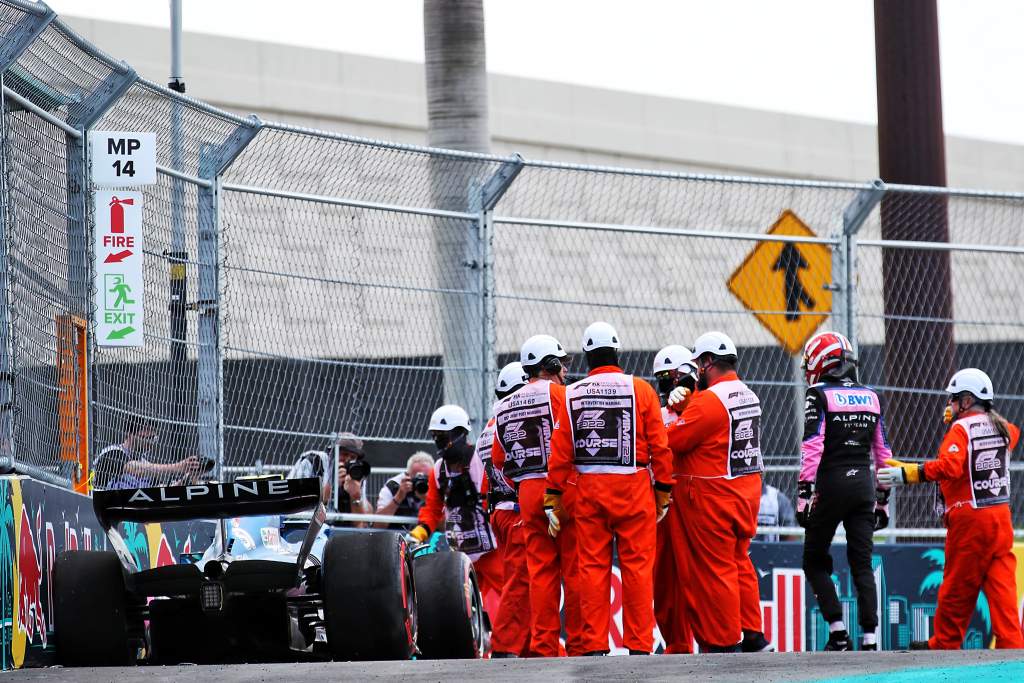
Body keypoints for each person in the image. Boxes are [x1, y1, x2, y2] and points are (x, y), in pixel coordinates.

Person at [546, 322, 674, 656]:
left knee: (591, 568)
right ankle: (639, 645)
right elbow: (660, 447)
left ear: (588, 356)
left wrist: (554, 494)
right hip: (635, 489)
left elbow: (560, 449)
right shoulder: (642, 390)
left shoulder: (572, 394)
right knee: (637, 569)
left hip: (589, 490)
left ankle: (593, 645)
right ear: (617, 352)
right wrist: (663, 487)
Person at [879, 368, 1024, 650]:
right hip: (1000, 518)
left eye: (954, 400)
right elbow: (1012, 434)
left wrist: (909, 474)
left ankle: (945, 643)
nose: (950, 405)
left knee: (957, 585)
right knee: (1002, 587)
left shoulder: (960, 430)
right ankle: (1013, 647)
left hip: (970, 520)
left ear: (967, 401)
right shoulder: (1004, 429)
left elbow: (951, 466)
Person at [664, 331, 770, 653]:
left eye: (698, 364)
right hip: (745, 493)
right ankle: (753, 634)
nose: (696, 370)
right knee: (740, 561)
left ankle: (724, 643)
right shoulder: (747, 393)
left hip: (714, 497)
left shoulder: (710, 401)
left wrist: (674, 412)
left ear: (708, 362)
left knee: (715, 569)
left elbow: (674, 440)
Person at [797, 331, 891, 651]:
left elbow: (812, 447)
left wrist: (804, 494)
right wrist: (883, 500)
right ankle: (870, 639)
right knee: (862, 562)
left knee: (814, 559)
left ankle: (838, 633)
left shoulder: (818, 394)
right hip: (864, 486)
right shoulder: (872, 396)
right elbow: (884, 453)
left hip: (831, 484)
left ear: (824, 361)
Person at [492, 335, 582, 657]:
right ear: (551, 365)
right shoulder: (561, 395)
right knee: (574, 569)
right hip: (562, 489)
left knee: (540, 573)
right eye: (562, 364)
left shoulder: (503, 407)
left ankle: (544, 646)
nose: (565, 372)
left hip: (526, 494)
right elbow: (577, 439)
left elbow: (499, 459)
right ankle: (581, 645)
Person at [409, 404, 503, 604]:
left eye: (443, 437)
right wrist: (420, 531)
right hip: (460, 552)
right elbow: (432, 509)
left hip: (492, 550)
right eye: (435, 437)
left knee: (505, 601)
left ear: (460, 434)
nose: (438, 443)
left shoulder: (481, 460)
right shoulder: (437, 470)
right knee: (467, 605)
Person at [481, 361, 534, 658]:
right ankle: (504, 645)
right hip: (516, 510)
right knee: (520, 582)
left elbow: (482, 484)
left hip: (499, 513)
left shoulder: (488, 427)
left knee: (521, 581)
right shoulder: (515, 420)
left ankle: (524, 646)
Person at [651, 344, 698, 654]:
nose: (668, 384)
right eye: (662, 378)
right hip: (661, 505)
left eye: (673, 377)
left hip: (693, 504)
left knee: (696, 576)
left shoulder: (700, 405)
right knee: (664, 580)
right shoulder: (655, 413)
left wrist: (689, 396)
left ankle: (716, 639)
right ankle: (677, 644)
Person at [288, 432, 373, 528]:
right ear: (333, 452)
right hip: (303, 524)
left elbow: (359, 525)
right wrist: (333, 485)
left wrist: (355, 497)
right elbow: (295, 502)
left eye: (353, 457)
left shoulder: (356, 473)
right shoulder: (314, 461)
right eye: (344, 454)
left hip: (339, 530)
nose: (348, 460)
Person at [93, 414, 202, 489]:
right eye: (146, 437)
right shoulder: (112, 453)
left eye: (153, 438)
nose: (151, 442)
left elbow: (162, 492)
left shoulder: (147, 466)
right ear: (130, 434)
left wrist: (191, 476)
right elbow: (136, 469)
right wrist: (178, 467)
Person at [374, 451, 434, 530]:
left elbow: (444, 527)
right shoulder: (394, 486)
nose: (421, 483)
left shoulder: (438, 486)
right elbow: (378, 526)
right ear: (407, 475)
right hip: (397, 535)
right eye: (417, 478)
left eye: (426, 478)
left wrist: (430, 500)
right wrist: (398, 497)